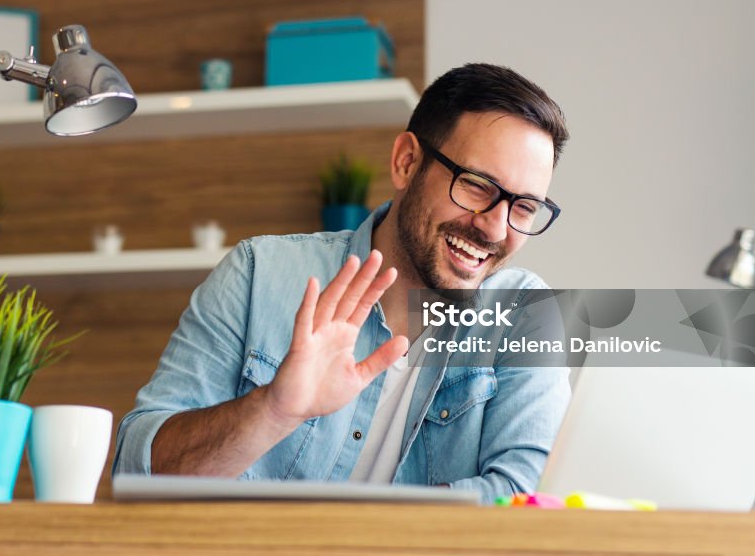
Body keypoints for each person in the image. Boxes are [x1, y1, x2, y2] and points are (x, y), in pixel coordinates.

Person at [113, 63, 571, 502]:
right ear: (406, 163)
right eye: (476, 185)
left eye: (525, 208)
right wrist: (272, 411)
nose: (495, 228)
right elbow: (137, 474)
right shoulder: (259, 272)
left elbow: (527, 498)